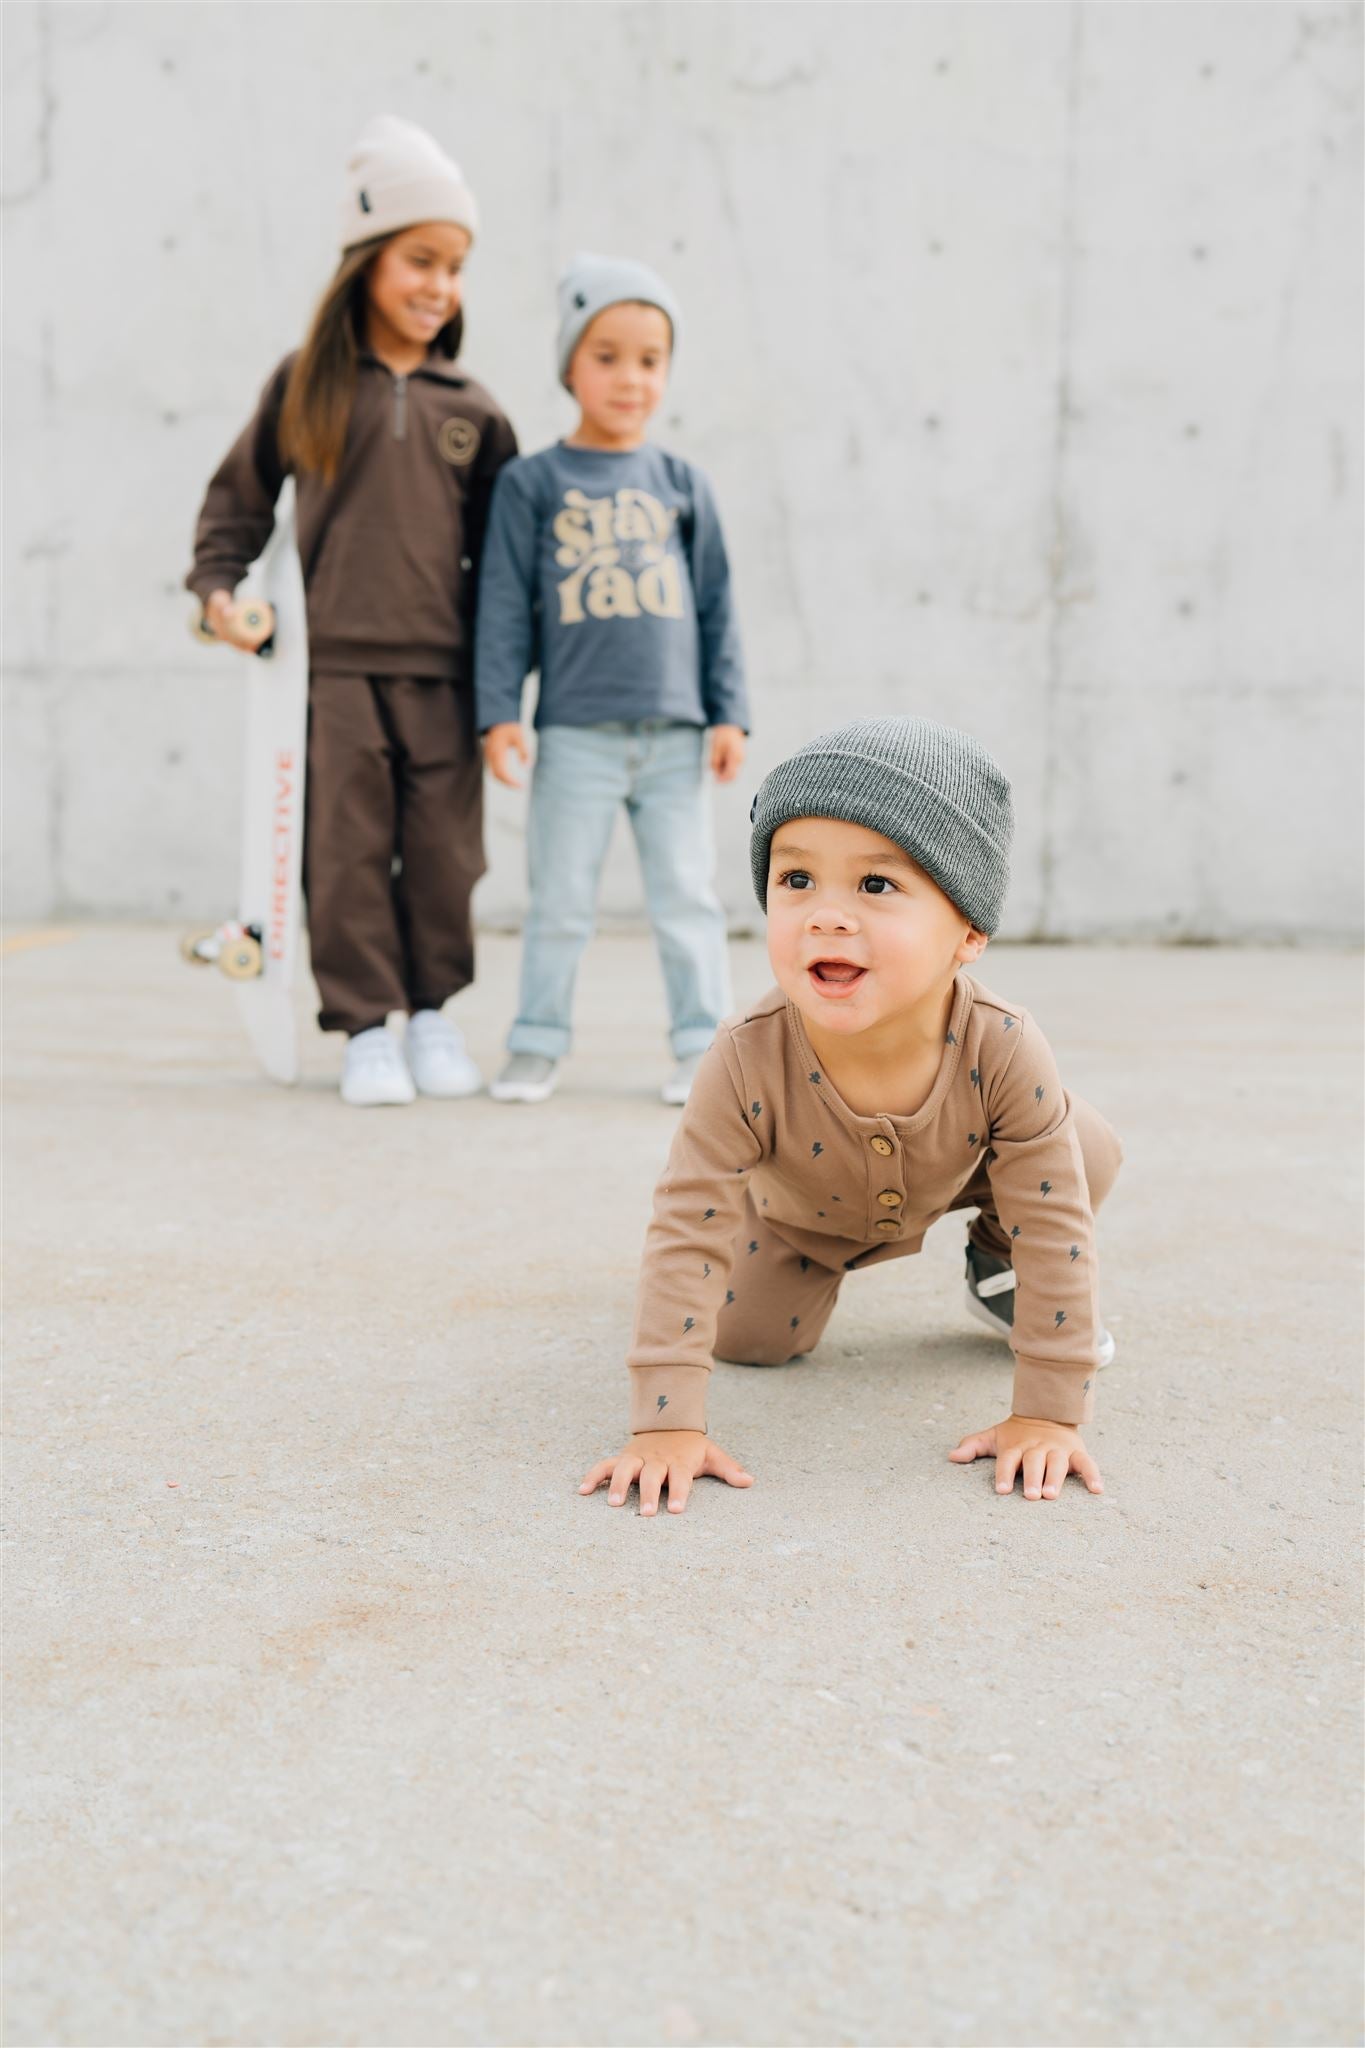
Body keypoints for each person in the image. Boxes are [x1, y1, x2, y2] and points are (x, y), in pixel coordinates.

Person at [579, 716, 1123, 1515]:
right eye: (795, 880)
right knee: (751, 1342)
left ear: (968, 931)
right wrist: (664, 1424)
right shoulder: (744, 1056)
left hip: (965, 1175)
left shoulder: (1002, 1043)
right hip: (806, 1217)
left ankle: (990, 1259)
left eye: (875, 885)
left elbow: (1060, 1225)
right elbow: (687, 1218)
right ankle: (764, 1268)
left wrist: (1045, 1411)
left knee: (1085, 1149)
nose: (826, 916)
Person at [186, 115, 517, 1107]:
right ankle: (366, 1026)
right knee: (345, 853)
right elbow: (234, 506)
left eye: (455, 267)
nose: (439, 286)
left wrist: (507, 684)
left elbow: (507, 563)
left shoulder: (476, 407)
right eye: (421, 259)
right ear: (366, 260)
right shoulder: (306, 386)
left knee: (448, 856)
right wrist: (220, 593)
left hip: (447, 673)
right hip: (330, 670)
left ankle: (433, 1017)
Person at [474, 254, 748, 1108]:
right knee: (558, 902)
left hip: (671, 737)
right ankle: (536, 1042)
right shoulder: (532, 482)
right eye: (607, 356)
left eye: (649, 358)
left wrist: (728, 711)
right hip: (576, 735)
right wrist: (497, 713)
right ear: (569, 366)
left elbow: (715, 604)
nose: (630, 377)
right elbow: (504, 608)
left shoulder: (680, 483)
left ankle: (706, 1050)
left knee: (686, 901)